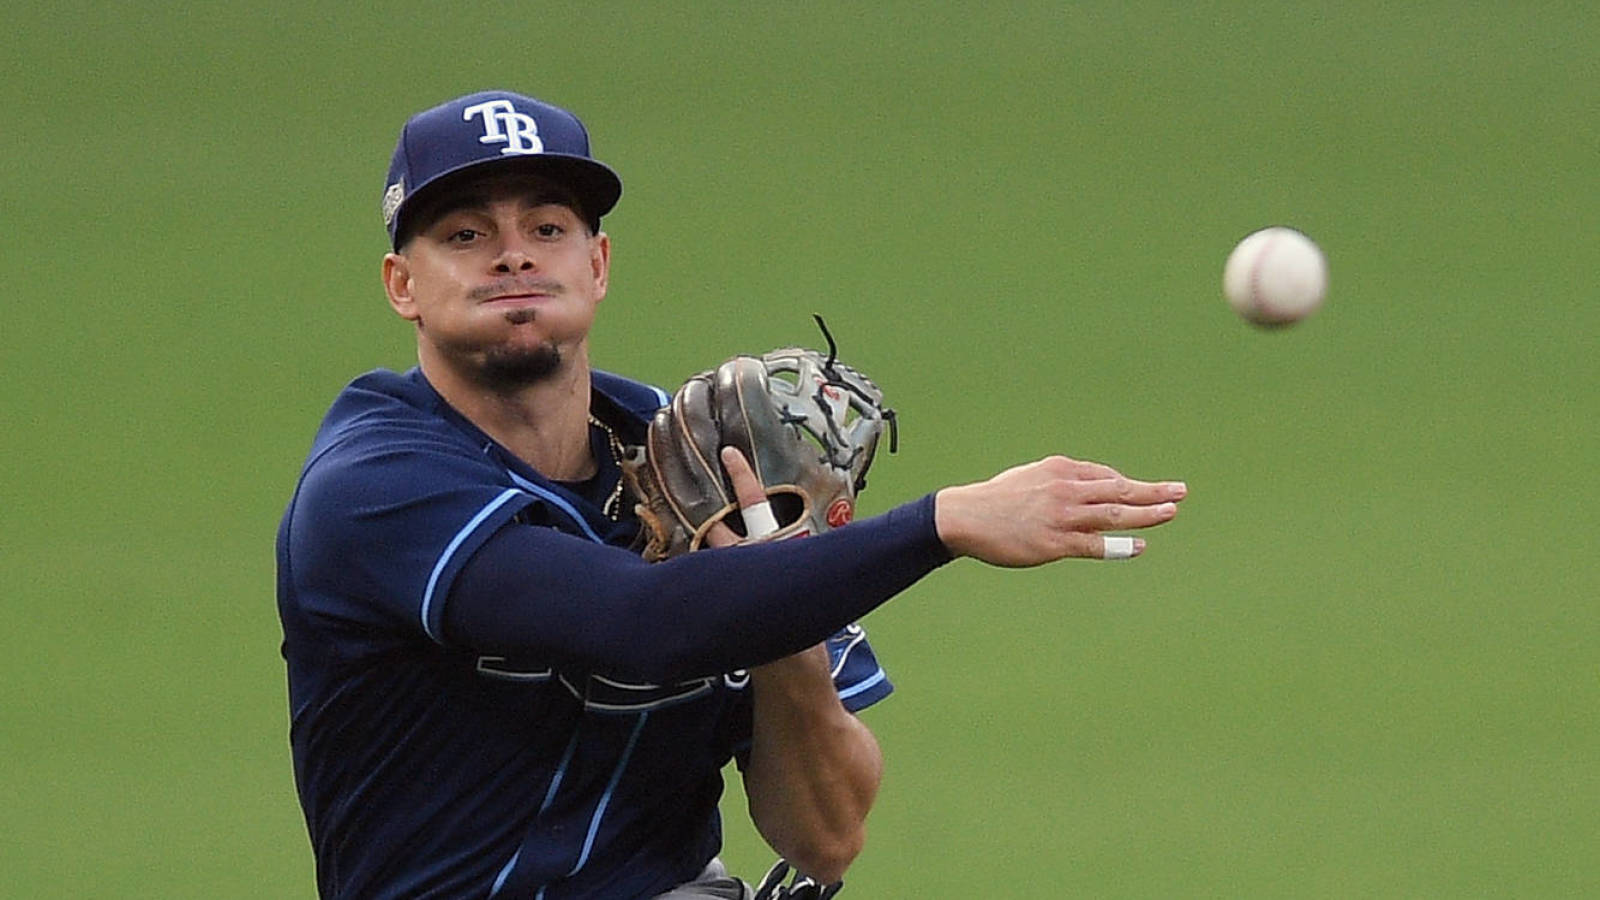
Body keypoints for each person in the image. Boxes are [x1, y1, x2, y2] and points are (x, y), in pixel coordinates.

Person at [276, 90, 1187, 900]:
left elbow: (824, 840)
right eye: (466, 235)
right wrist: (939, 523)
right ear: (404, 285)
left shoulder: (702, 462)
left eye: (547, 228)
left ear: (597, 265)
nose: (513, 257)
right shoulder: (374, 483)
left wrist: (783, 613)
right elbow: (640, 622)